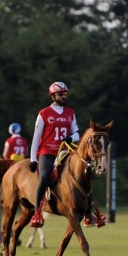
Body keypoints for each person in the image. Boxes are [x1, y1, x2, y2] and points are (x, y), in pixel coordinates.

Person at [29, 81, 79, 228]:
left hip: (65, 151)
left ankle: (89, 212)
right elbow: (36, 137)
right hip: (48, 152)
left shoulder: (71, 113)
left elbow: (76, 133)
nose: (63, 97)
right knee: (44, 177)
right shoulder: (44, 113)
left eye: (65, 94)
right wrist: (33, 159)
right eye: (60, 94)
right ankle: (37, 213)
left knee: (83, 172)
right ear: (53, 96)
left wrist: (71, 138)